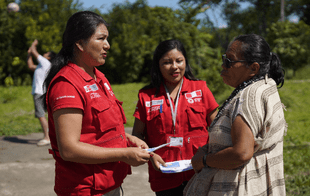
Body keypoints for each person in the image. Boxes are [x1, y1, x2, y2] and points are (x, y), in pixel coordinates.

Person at [43, 11, 151, 196]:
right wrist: (123, 154)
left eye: (107, 39)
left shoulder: (99, 78)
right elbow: (69, 149)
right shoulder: (67, 84)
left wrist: (127, 139)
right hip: (84, 188)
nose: (107, 45)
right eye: (101, 39)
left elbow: (99, 131)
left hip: (108, 184)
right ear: (80, 43)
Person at [184, 34, 287, 196]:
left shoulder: (248, 96)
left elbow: (241, 153)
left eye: (229, 61)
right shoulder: (265, 85)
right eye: (224, 58)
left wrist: (204, 160)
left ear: (253, 68)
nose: (223, 65)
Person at [132, 39, 219, 196]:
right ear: (158, 65)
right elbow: (137, 134)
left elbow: (218, 127)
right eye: (167, 62)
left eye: (179, 61)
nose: (174, 67)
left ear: (185, 61)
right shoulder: (147, 96)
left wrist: (209, 155)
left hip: (200, 173)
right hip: (164, 177)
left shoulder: (201, 89)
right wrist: (151, 155)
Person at [27, 39, 56, 146]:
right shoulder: (41, 66)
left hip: (39, 92)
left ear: (49, 57)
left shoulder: (45, 62)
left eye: (46, 53)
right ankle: (51, 136)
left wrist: (33, 45)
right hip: (41, 92)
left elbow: (35, 52)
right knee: (45, 115)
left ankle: (47, 137)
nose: (44, 54)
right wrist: (28, 55)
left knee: (40, 115)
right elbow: (30, 66)